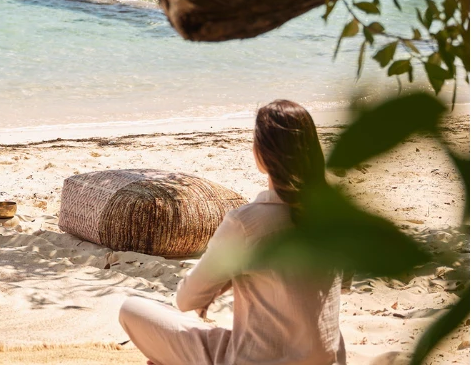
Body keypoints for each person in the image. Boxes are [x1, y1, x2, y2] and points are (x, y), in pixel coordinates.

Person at [117, 99, 347, 365]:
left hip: (257, 360)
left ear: (261, 155)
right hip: (327, 360)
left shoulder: (247, 222)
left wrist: (224, 279)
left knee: (132, 309)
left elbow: (186, 299)